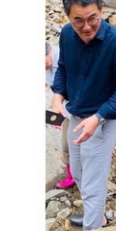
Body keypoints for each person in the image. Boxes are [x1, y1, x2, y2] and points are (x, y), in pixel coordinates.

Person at [51, 0, 116, 231]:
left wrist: (98, 117)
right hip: (76, 115)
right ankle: (96, 216)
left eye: (93, 18)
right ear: (67, 15)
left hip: (102, 119)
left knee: (93, 185)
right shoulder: (67, 34)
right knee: (78, 173)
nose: (86, 26)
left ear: (101, 9)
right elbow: (64, 68)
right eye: (78, 20)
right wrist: (57, 97)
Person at [46, 42, 74, 190]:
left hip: (83, 108)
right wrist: (54, 117)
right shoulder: (45, 68)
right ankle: (72, 177)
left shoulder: (67, 58)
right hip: (65, 110)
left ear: (49, 50)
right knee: (66, 146)